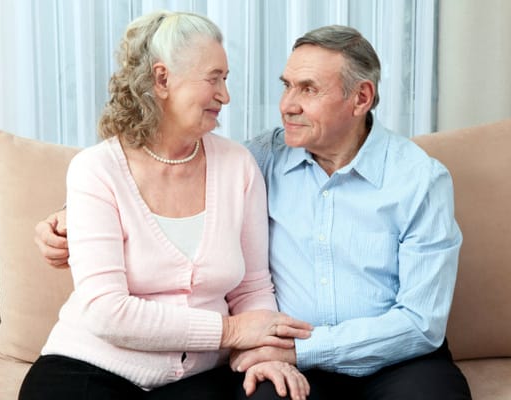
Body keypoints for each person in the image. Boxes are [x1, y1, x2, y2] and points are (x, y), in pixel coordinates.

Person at [37, 25, 472, 399]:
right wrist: (69, 215)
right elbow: (173, 175)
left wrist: (297, 348)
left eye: (308, 89)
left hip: (394, 359)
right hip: (288, 359)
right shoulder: (263, 157)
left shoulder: (420, 181)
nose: (287, 105)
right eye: (287, 85)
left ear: (361, 98)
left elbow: (421, 324)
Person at [18, 11, 314, 400]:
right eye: (214, 78)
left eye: (226, 79)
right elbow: (107, 312)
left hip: (200, 379)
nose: (225, 95)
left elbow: (251, 287)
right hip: (90, 367)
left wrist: (261, 353)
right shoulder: (96, 170)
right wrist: (231, 332)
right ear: (162, 79)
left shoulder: (237, 165)